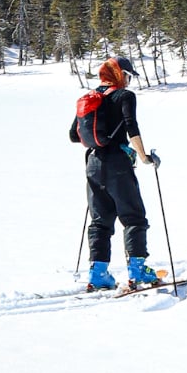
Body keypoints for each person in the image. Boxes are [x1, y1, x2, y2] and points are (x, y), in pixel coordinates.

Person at [69, 57, 161, 290]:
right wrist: (143, 156)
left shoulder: (90, 98)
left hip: (93, 163)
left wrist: (99, 137)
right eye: (128, 76)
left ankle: (98, 273)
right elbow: (131, 126)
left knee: (100, 220)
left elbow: (73, 135)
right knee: (133, 216)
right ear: (121, 75)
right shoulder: (125, 96)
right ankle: (137, 270)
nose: (129, 81)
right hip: (117, 164)